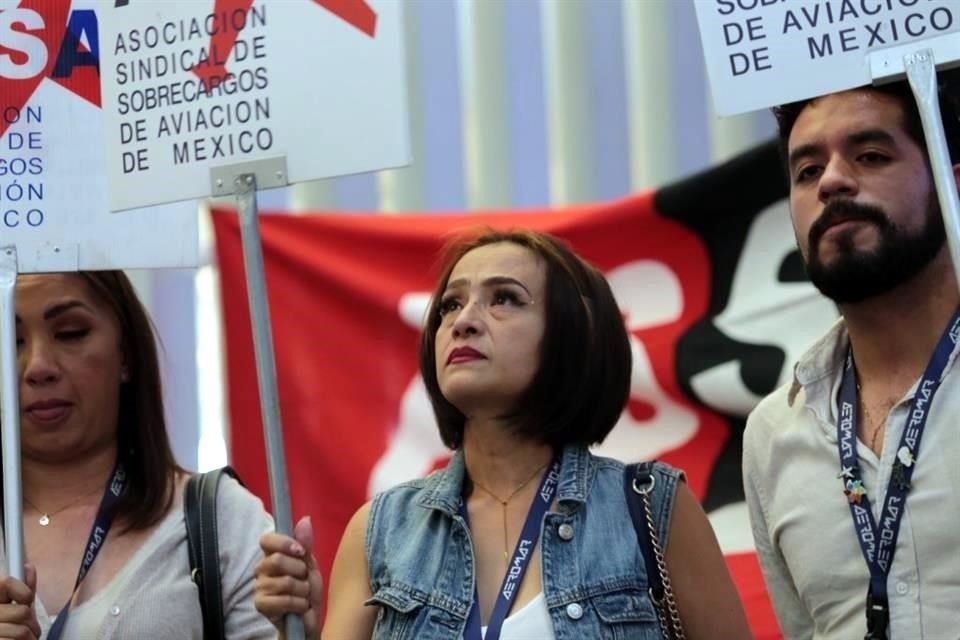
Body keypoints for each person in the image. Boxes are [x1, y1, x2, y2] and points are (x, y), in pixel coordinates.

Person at [255, 229, 751, 639]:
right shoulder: (380, 530)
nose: (464, 321)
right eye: (449, 305)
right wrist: (294, 629)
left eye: (505, 299)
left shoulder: (651, 505)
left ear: (570, 334)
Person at [743, 71, 960, 639]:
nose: (832, 182)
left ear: (952, 185)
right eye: (807, 171)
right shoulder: (771, 432)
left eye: (869, 156)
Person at [0, 271, 276, 639]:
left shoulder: (222, 519)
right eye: (12, 340)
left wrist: (294, 629)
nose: (39, 367)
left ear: (126, 353)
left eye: (70, 334)